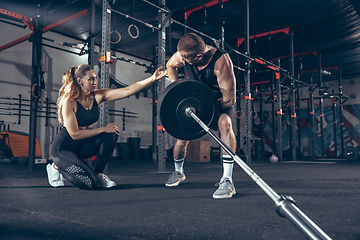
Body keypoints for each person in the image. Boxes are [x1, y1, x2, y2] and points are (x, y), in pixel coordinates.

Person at [47, 64, 167, 189]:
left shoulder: (98, 96)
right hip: (63, 149)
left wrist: (152, 79)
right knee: (89, 183)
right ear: (79, 81)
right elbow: (74, 134)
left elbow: (127, 90)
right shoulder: (70, 101)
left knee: (111, 133)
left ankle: (99, 173)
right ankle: (56, 167)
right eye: (90, 79)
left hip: (83, 148)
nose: (95, 82)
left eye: (95, 78)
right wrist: (103, 129)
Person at [165, 33, 237, 199]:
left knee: (224, 123)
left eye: (185, 58)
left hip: (219, 101)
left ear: (199, 55)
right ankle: (178, 172)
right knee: (181, 137)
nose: (182, 60)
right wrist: (178, 90)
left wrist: (203, 107)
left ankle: (227, 180)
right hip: (195, 100)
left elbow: (229, 99)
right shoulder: (184, 55)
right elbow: (170, 66)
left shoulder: (221, 62)